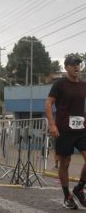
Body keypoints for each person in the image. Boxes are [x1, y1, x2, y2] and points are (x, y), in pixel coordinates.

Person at [45, 55, 86, 210]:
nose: (77, 67)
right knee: (65, 162)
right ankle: (66, 195)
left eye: (79, 64)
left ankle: (79, 188)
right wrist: (52, 124)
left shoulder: (83, 85)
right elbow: (48, 103)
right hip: (64, 129)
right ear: (66, 67)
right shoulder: (60, 84)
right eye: (73, 64)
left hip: (81, 129)